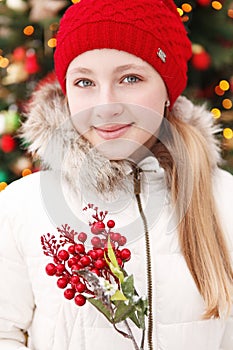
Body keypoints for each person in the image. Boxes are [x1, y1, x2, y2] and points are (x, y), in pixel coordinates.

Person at [0, 0, 233, 349]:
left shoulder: (225, 200)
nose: (106, 105)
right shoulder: (21, 206)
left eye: (130, 78)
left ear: (167, 91)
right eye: (84, 82)